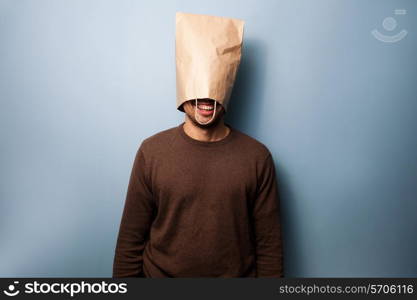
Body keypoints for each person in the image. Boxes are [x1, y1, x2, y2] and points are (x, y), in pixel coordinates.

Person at [112, 12, 284, 278]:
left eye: (213, 87)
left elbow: (269, 248)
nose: (206, 98)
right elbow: (129, 244)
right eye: (199, 87)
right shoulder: (152, 152)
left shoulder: (257, 158)